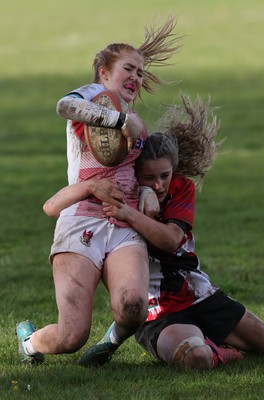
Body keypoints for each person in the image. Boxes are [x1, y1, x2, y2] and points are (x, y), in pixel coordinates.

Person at [44, 95, 264, 370]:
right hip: (157, 313)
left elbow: (171, 240)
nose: (159, 186)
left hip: (199, 294)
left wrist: (129, 215)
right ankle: (219, 350)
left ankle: (208, 338)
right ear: (135, 175)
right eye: (149, 178)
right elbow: (52, 205)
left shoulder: (181, 188)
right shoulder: (121, 193)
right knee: (198, 359)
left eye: (165, 176)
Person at [16, 16, 181, 366]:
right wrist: (122, 123)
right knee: (71, 336)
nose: (136, 77)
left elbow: (138, 171)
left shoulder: (134, 118)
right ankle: (30, 342)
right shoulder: (95, 96)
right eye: (128, 69)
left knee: (134, 310)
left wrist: (148, 192)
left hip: (123, 224)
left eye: (140, 72)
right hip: (82, 221)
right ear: (104, 72)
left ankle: (107, 344)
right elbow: (65, 107)